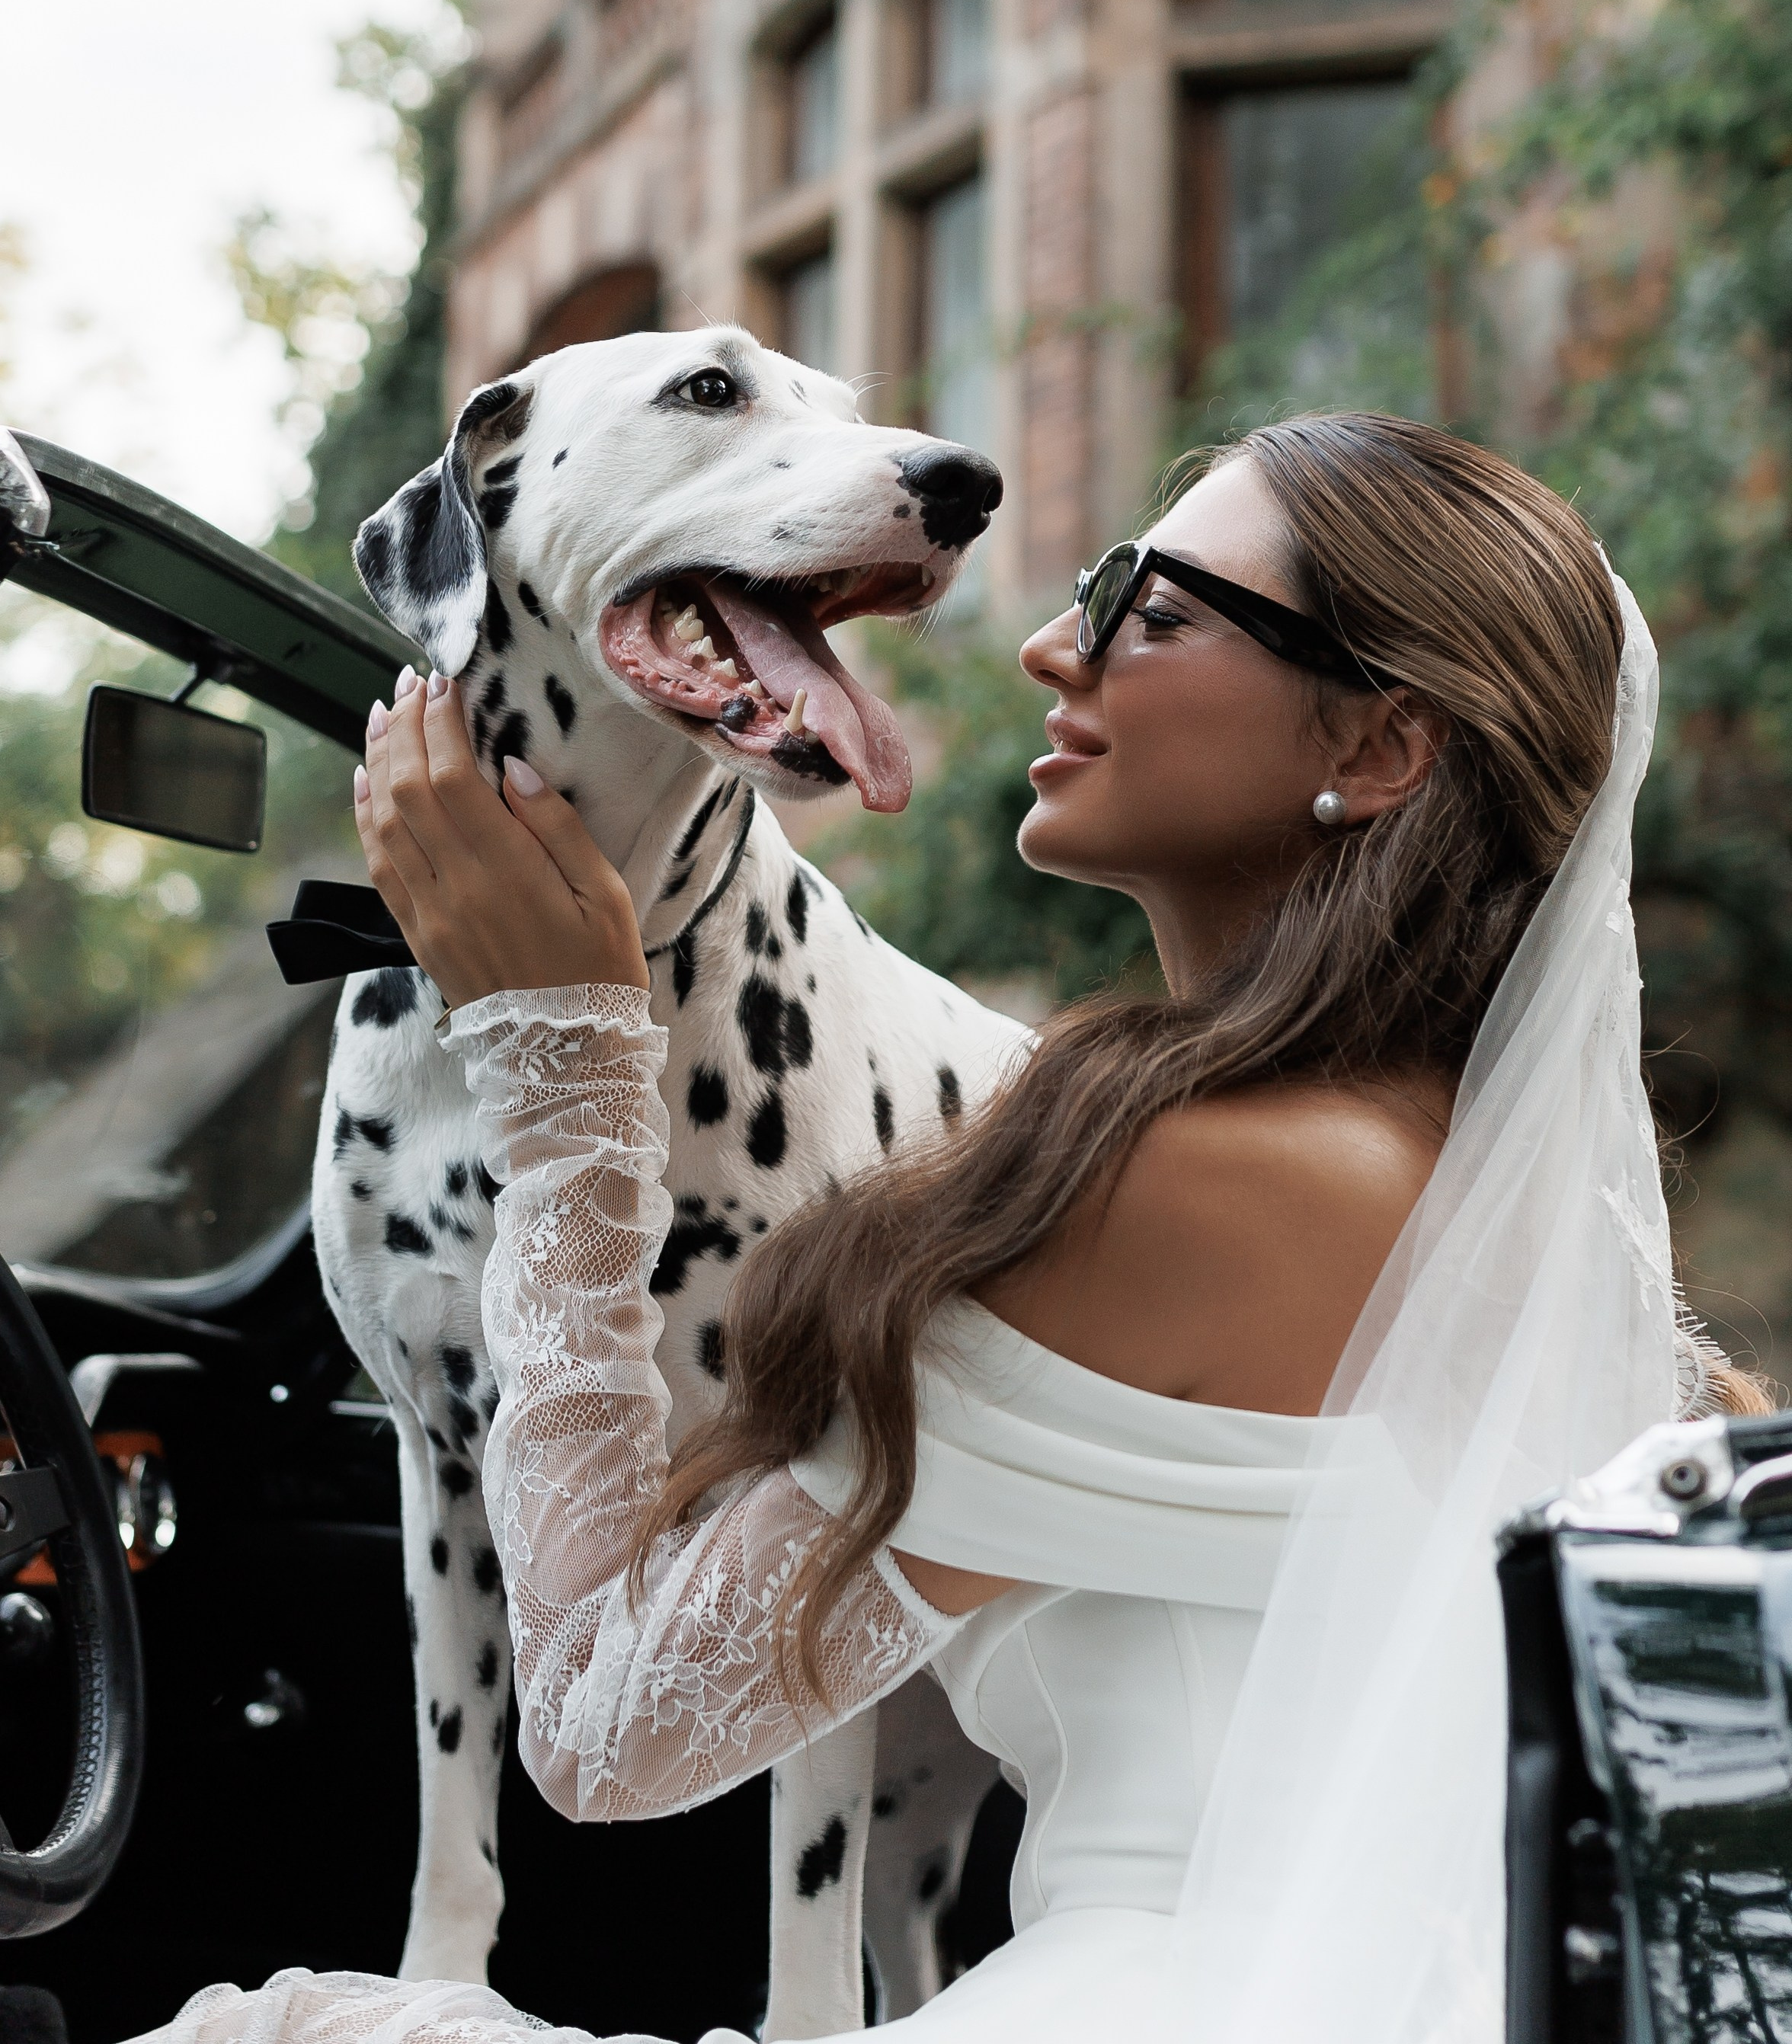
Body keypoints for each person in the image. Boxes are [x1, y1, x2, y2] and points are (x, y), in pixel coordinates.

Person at [136, 411, 1761, 2044]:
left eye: (1157, 609)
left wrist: (566, 1068)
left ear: (1382, 745)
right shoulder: (1500, 1212)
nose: (1061, 645)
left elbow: (599, 1724)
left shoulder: (1202, 1181)